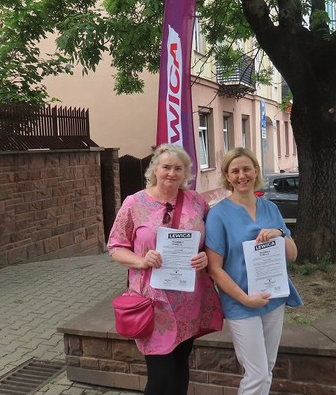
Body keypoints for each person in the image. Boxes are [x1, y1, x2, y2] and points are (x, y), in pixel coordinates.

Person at [107, 144, 223, 395]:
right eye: (166, 167)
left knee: (180, 367)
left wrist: (205, 256)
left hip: (188, 300)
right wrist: (141, 261)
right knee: (160, 378)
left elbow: (211, 242)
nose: (172, 173)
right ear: (155, 170)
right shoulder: (134, 203)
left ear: (185, 173)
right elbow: (115, 246)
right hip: (153, 302)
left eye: (178, 168)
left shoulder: (196, 201)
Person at [205, 147, 302, 395]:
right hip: (241, 303)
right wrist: (245, 299)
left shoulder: (271, 209)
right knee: (257, 373)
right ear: (227, 176)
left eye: (247, 169)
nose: (242, 175)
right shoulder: (218, 215)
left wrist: (279, 234)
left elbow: (292, 255)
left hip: (272, 298)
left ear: (256, 171)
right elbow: (215, 269)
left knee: (266, 368)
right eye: (235, 171)